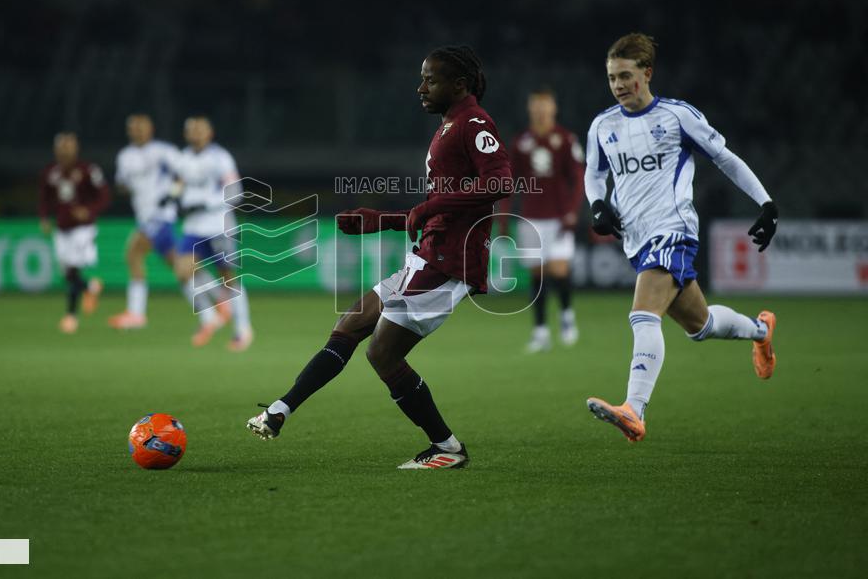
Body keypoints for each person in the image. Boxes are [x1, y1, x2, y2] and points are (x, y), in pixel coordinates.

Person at [246, 46, 511, 469]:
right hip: (428, 254)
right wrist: (384, 220)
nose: (420, 87)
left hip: (450, 263)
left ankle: (446, 448)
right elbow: (441, 206)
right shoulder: (449, 125)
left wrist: (425, 211)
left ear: (458, 85)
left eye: (430, 79)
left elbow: (501, 182)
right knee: (349, 325)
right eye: (422, 78)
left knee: (383, 354)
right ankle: (280, 410)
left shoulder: (474, 122)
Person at [583, 33, 779, 442]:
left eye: (625, 76)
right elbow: (594, 172)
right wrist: (597, 204)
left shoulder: (677, 117)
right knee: (701, 325)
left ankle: (634, 410)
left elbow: (725, 158)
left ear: (647, 74)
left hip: (673, 230)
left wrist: (765, 202)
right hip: (637, 239)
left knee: (643, 315)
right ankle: (761, 332)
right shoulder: (603, 125)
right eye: (611, 78)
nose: (618, 85)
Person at [506, 88, 585, 352]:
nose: (541, 111)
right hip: (530, 218)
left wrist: (573, 211)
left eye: (545, 106)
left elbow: (578, 178)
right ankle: (540, 330)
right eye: (536, 106)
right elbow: (508, 182)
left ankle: (566, 316)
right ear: (530, 109)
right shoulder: (521, 142)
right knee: (537, 275)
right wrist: (503, 213)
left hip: (559, 217)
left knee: (559, 270)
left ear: (553, 109)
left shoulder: (565, 139)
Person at [170, 116, 253, 351]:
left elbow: (236, 192)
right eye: (191, 129)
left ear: (210, 133)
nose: (195, 133)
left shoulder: (220, 157)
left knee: (229, 276)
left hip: (219, 225)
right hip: (193, 226)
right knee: (182, 270)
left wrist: (205, 203)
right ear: (186, 134)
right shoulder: (183, 158)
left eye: (200, 129)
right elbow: (178, 183)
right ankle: (211, 317)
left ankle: (243, 329)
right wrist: (172, 197)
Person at [109, 114, 180, 330]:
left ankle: (136, 314)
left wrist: (172, 194)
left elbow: (184, 173)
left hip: (161, 213)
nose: (137, 131)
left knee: (133, 254)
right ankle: (218, 299)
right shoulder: (125, 156)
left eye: (141, 127)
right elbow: (122, 183)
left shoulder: (163, 151)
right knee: (177, 263)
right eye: (133, 128)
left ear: (150, 129)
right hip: (144, 215)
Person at [38, 132, 110, 333]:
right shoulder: (50, 172)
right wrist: (44, 218)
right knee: (66, 274)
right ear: (56, 149)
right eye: (61, 147)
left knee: (72, 270)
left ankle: (71, 317)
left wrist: (89, 211)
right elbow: (44, 198)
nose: (65, 151)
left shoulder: (88, 170)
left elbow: (104, 196)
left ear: (76, 149)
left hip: (83, 229)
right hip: (62, 229)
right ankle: (90, 287)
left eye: (68, 147)